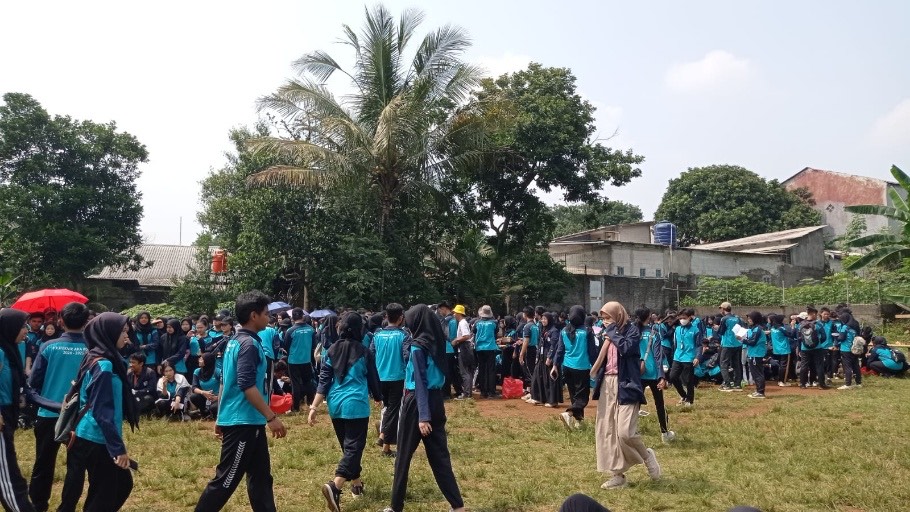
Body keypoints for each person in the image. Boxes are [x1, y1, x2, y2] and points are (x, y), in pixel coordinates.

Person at [195, 291, 287, 512]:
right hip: (243, 423)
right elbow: (247, 386)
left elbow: (226, 382)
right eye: (266, 314)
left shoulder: (235, 341)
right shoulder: (248, 345)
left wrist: (220, 417)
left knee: (261, 479)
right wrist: (271, 417)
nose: (269, 318)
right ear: (254, 316)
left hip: (248, 421)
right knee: (226, 481)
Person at [383, 305, 466, 512]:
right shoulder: (438, 343)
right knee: (440, 458)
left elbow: (420, 380)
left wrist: (423, 416)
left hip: (417, 403)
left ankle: (395, 506)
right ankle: (458, 506)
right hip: (437, 400)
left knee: (403, 457)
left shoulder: (418, 346)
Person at [58, 312, 139, 512]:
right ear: (108, 333)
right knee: (108, 492)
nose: (126, 336)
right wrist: (117, 448)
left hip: (88, 434)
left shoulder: (95, 356)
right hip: (96, 436)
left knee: (118, 485)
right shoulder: (104, 364)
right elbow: (102, 410)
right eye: (123, 332)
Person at [309, 312, 382, 511]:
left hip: (335, 404)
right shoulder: (364, 351)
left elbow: (324, 380)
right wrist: (378, 397)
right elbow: (373, 378)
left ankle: (356, 484)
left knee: (348, 446)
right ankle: (335, 485)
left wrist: (314, 407)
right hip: (355, 404)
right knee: (354, 447)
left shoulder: (331, 350)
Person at [27, 302, 90, 512]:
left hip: (48, 413)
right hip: (80, 417)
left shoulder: (48, 347)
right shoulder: (91, 349)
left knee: (43, 462)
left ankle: (38, 505)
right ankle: (66, 508)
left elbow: (33, 384)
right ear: (86, 322)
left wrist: (52, 403)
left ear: (61, 321)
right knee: (76, 466)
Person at [591, 302, 660, 490]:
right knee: (607, 430)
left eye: (608, 317)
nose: (605, 321)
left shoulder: (632, 331)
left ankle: (647, 456)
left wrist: (612, 332)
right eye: (603, 318)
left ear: (618, 315)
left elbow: (627, 349)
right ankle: (617, 475)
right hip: (607, 384)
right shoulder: (605, 334)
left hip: (627, 384)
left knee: (625, 432)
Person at [0, 309, 38, 512]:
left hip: (8, 414)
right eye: (23, 326)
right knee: (9, 478)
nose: (26, 331)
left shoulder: (10, 351)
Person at [371, 303, 409, 457]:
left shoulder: (377, 335)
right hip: (397, 378)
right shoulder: (403, 335)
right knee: (394, 410)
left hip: (380, 378)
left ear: (386, 317)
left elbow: (371, 355)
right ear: (401, 318)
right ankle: (383, 437)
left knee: (387, 408)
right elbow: (407, 357)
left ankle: (385, 444)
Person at [633, 308, 674, 443]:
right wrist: (662, 376)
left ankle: (632, 430)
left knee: (635, 404)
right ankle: (664, 433)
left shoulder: (632, 333)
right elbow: (658, 356)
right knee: (659, 404)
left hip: (637, 373)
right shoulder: (653, 333)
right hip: (653, 374)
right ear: (649, 317)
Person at [552, 306, 596, 428]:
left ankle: (578, 422)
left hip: (567, 367)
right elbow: (592, 351)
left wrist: (555, 365)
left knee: (574, 395)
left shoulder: (564, 330)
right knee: (582, 397)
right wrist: (596, 365)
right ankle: (569, 413)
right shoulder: (587, 331)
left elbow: (559, 350)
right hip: (582, 367)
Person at [284, 309, 316, 412]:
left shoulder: (290, 331)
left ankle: (296, 407)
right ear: (303, 316)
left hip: (293, 361)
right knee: (308, 382)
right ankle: (311, 403)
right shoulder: (311, 330)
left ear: (292, 318)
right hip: (307, 360)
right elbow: (314, 345)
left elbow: (286, 346)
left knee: (295, 384)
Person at [669, 309, 702, 406]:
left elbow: (699, 345)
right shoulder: (677, 329)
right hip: (677, 356)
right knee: (673, 377)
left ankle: (689, 399)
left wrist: (697, 357)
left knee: (688, 380)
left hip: (689, 357)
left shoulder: (695, 330)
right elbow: (675, 343)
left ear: (689, 318)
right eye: (680, 318)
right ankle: (683, 395)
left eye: (684, 318)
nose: (682, 320)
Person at [472, 305, 499, 399]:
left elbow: (473, 331)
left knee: (482, 369)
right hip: (491, 347)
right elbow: (496, 332)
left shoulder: (477, 323)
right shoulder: (494, 323)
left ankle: (483, 392)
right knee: (491, 370)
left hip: (480, 348)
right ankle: (491, 392)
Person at [436, 302, 462, 400]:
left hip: (449, 349)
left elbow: (452, 336)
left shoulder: (450, 321)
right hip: (448, 349)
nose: (439, 312)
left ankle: (447, 393)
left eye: (440, 310)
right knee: (451, 371)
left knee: (448, 372)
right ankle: (455, 391)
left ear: (444, 308)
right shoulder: (449, 320)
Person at [716, 302, 744, 391]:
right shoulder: (737, 318)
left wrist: (717, 328)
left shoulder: (724, 319)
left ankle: (727, 384)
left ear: (723, 309)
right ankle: (737, 384)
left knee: (723, 364)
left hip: (727, 344)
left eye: (721, 308)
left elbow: (721, 332)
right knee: (736, 364)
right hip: (737, 344)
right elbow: (742, 329)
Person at [740, 312, 768, 399]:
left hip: (756, 353)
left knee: (758, 373)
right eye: (748, 319)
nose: (749, 320)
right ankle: (758, 390)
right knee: (755, 373)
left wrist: (742, 340)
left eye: (750, 318)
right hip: (753, 353)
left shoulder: (757, 329)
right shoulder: (754, 328)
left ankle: (760, 392)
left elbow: (753, 342)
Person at [451, 305, 475, 401]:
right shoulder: (463, 322)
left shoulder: (462, 323)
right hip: (466, 348)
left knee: (464, 372)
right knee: (467, 371)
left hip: (464, 348)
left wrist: (456, 340)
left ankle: (467, 394)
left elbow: (466, 336)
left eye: (455, 313)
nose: (454, 315)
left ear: (459, 313)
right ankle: (468, 393)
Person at [833, 313, 862, 389]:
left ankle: (848, 384)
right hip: (854, 349)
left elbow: (841, 338)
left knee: (847, 366)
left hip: (846, 349)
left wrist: (836, 337)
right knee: (856, 366)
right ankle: (858, 383)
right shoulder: (854, 327)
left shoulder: (845, 327)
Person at [540, 312, 564, 408]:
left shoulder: (554, 331)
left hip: (551, 357)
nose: (543, 320)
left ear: (549, 320)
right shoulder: (545, 330)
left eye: (545, 319)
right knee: (547, 379)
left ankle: (553, 400)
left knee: (552, 378)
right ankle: (548, 398)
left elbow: (554, 345)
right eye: (542, 319)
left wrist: (549, 357)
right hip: (544, 356)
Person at [189, 352, 220, 419]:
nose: (199, 360)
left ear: (207, 361)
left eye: (201, 359)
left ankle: (214, 414)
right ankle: (204, 413)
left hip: (217, 397)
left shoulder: (217, 372)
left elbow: (226, 386)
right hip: (205, 396)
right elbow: (194, 387)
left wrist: (218, 397)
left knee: (214, 408)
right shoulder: (197, 371)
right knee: (193, 397)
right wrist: (203, 392)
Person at [126, 353, 157, 417]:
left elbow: (151, 389)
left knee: (147, 398)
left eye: (133, 362)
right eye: (130, 362)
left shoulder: (150, 373)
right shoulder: (129, 373)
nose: (130, 365)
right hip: (133, 396)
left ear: (141, 364)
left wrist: (137, 392)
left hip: (146, 396)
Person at [768, 315, 793, 386]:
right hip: (784, 349)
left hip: (776, 349)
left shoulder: (772, 329)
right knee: (784, 366)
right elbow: (790, 334)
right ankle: (782, 381)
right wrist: (792, 327)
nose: (784, 321)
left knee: (780, 365)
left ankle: (780, 380)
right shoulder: (781, 328)